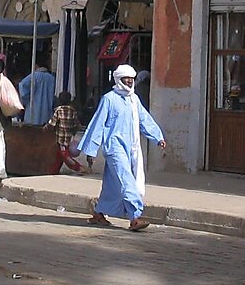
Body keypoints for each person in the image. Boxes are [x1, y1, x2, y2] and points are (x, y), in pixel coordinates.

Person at [78, 64, 166, 232]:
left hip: (132, 147)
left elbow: (144, 119)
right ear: (118, 80)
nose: (129, 82)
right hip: (114, 148)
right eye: (126, 79)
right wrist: (91, 150)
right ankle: (135, 217)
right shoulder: (109, 99)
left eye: (132, 79)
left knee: (113, 185)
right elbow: (98, 124)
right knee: (127, 180)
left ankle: (99, 213)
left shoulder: (134, 99)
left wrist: (157, 137)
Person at [45, 92, 84, 173]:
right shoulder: (72, 110)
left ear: (59, 100)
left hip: (60, 137)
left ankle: (78, 167)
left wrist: (46, 127)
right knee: (59, 155)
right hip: (69, 137)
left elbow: (53, 122)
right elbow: (77, 124)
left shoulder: (58, 110)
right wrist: (74, 131)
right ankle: (54, 171)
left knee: (64, 155)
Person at [18, 54, 56, 126]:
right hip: (47, 112)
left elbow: (22, 86)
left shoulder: (33, 76)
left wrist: (26, 101)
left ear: (35, 65)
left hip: (32, 112)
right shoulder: (52, 78)